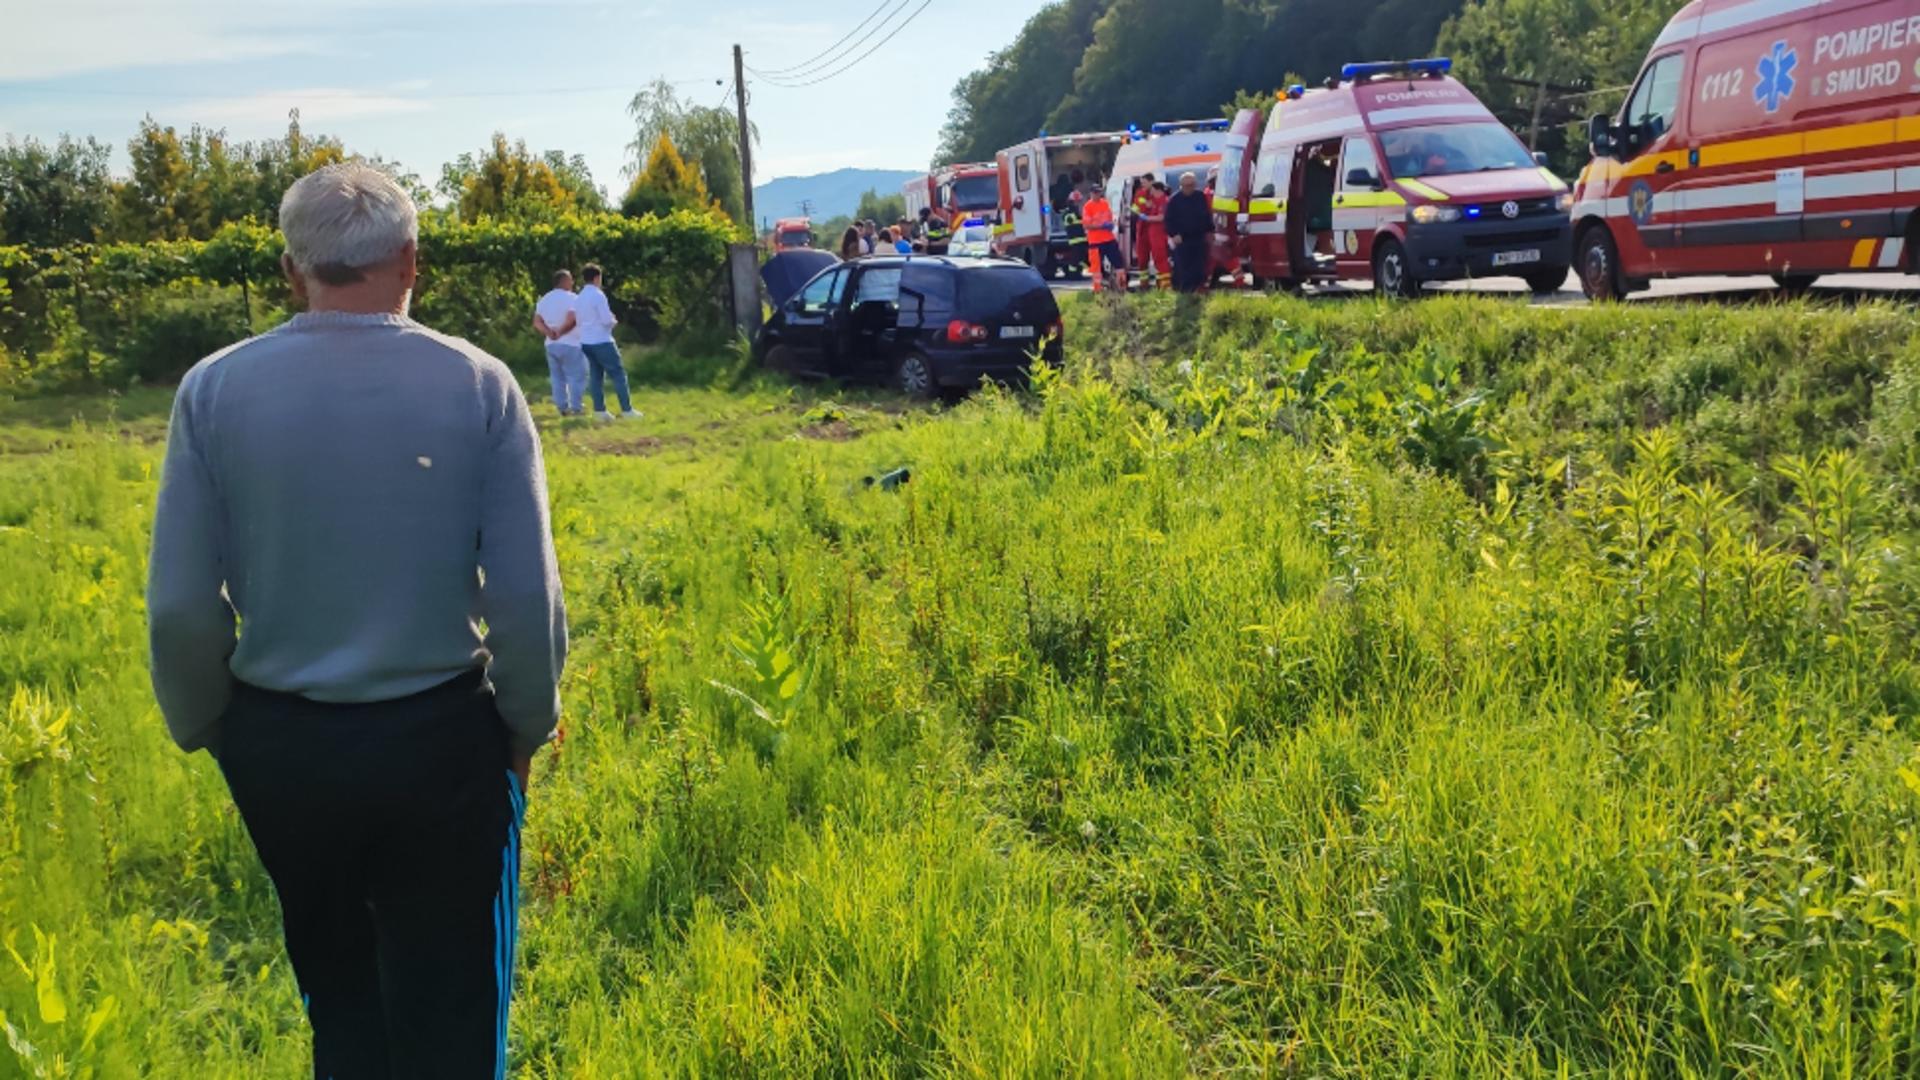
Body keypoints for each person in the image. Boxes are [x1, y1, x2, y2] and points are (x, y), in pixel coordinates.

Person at [146, 162, 566, 1078]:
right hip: (440, 740)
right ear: (412, 259)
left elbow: (181, 605)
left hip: (284, 744)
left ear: (293, 268)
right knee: (453, 1003)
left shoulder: (213, 391)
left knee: (339, 994)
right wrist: (526, 725)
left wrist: (208, 724)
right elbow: (527, 598)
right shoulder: (478, 384)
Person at [575, 264, 640, 421]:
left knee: (596, 376)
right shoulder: (598, 295)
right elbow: (606, 320)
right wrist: (613, 321)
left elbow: (579, 320)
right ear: (597, 278)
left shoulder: (579, 297)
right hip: (602, 340)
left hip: (586, 341)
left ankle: (600, 411)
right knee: (618, 374)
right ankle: (627, 410)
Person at [533, 269, 587, 416]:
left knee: (557, 377)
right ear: (564, 281)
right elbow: (572, 318)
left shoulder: (544, 299)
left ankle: (562, 407)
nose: (572, 282)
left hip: (551, 344)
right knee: (576, 376)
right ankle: (577, 407)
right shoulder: (573, 298)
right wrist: (560, 332)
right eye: (570, 279)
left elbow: (537, 322)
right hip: (571, 343)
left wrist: (549, 333)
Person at [1165, 171, 1213, 293]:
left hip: (1198, 237)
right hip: (1182, 239)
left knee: (1199, 266)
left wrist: (1210, 231)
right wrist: (1174, 234)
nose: (1189, 188)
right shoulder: (1174, 200)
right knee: (1183, 267)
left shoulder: (1200, 197)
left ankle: (1198, 290)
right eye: (1186, 186)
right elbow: (1168, 220)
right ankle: (1185, 293)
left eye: (1192, 185)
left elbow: (1207, 216)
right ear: (1181, 186)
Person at [1082, 177, 1125, 293]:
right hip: (1095, 242)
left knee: (1119, 263)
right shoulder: (1088, 207)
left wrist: (1111, 224)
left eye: (1099, 192)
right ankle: (1098, 291)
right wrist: (1101, 226)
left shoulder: (1105, 204)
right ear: (1091, 193)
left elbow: (1110, 218)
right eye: (1095, 192)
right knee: (1096, 269)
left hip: (1109, 239)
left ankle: (1121, 287)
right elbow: (1086, 225)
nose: (1098, 194)